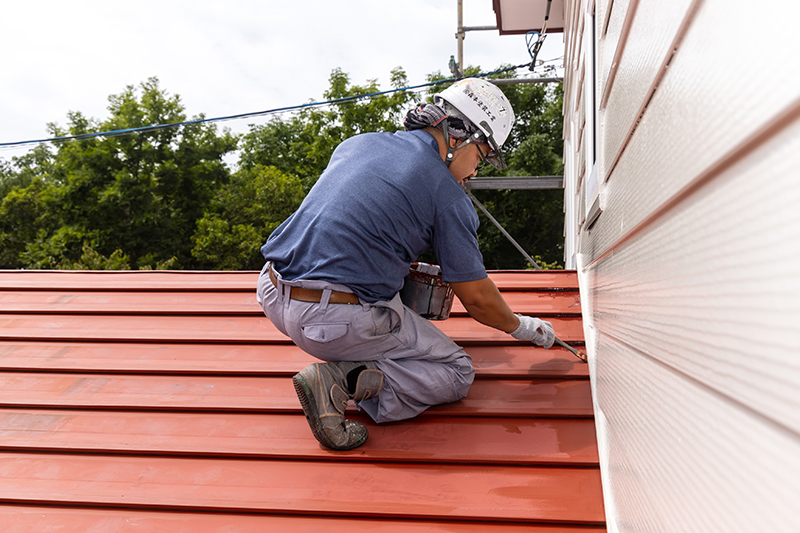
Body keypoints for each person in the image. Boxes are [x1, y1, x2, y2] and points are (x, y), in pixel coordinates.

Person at [256, 78, 555, 451]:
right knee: (456, 371)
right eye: (481, 156)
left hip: (271, 290)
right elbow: (477, 299)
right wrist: (523, 327)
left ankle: (354, 354)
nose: (476, 171)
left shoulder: (359, 143)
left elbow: (348, 226)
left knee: (398, 303)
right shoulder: (447, 197)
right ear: (459, 136)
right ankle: (341, 378)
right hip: (327, 321)